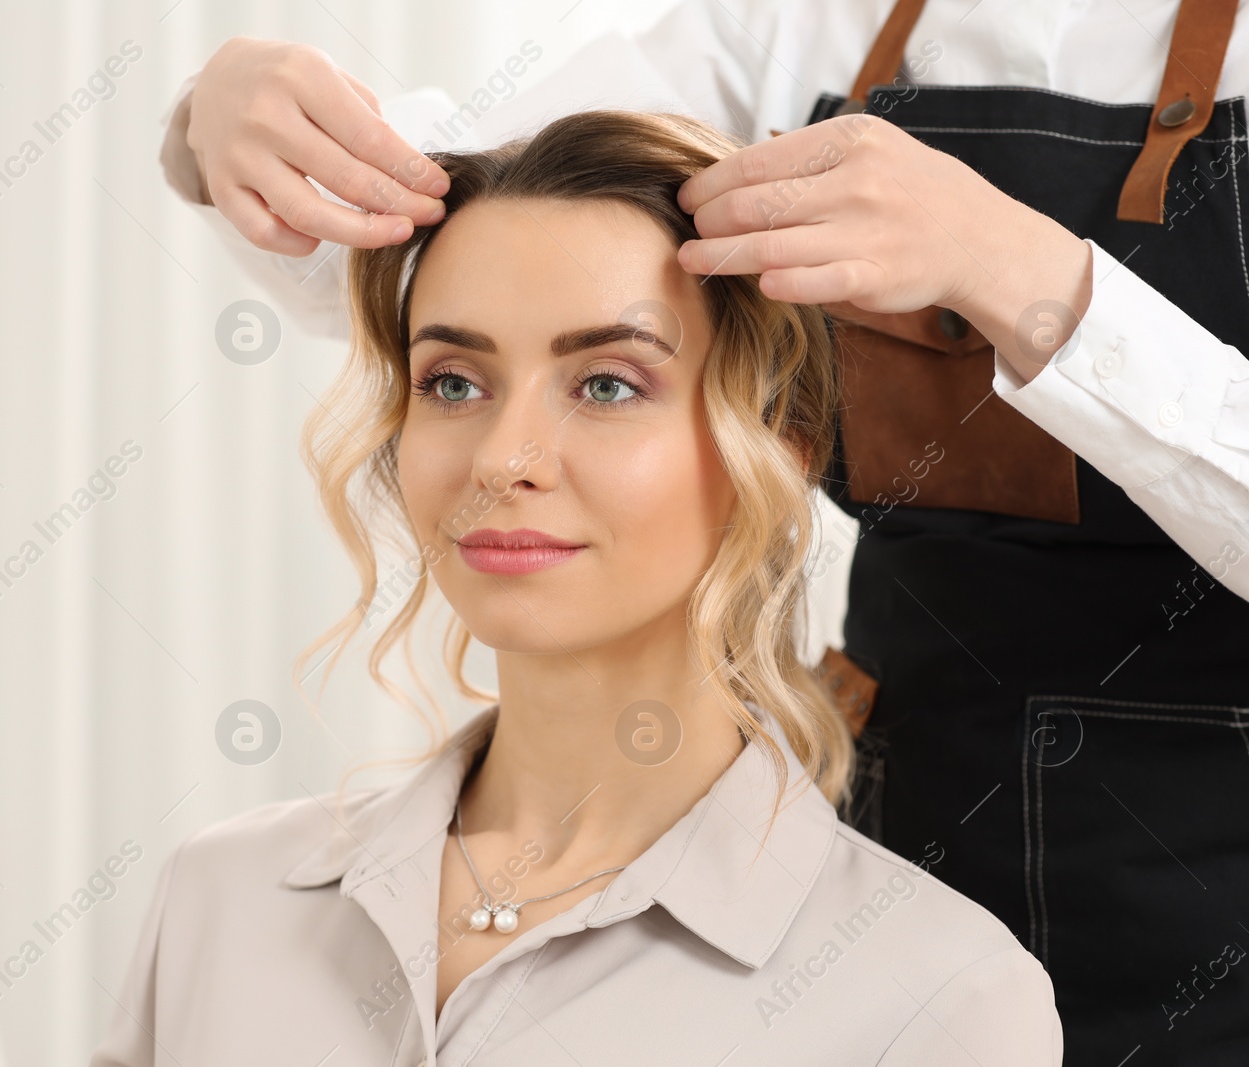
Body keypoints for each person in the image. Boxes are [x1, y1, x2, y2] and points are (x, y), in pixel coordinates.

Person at [158, 4, 1249, 1063]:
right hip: (896, 803)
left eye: (605, 383)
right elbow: (474, 211)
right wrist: (226, 124)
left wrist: (1021, 273)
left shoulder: (950, 989)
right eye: (450, 382)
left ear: (777, 436)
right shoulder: (222, 898)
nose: (505, 458)